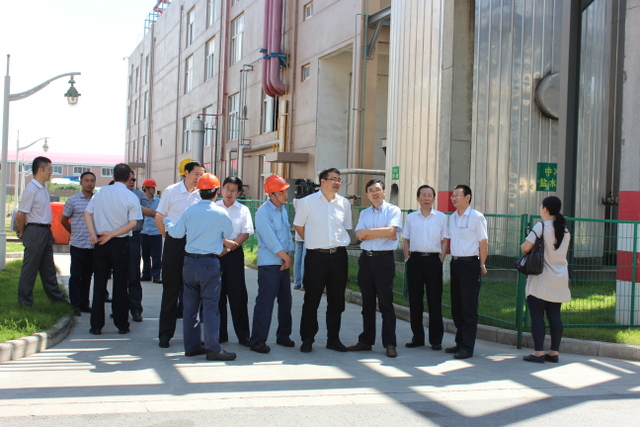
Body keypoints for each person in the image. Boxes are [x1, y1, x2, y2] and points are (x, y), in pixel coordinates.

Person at [159, 173, 236, 361]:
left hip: (189, 263)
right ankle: (213, 348)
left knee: (190, 308)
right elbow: (228, 232)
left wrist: (167, 221)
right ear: (216, 191)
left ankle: (192, 347)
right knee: (210, 307)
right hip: (209, 263)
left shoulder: (190, 211)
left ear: (200, 191)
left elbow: (176, 233)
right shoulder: (220, 213)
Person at [294, 168, 353, 353]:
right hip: (316, 256)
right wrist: (313, 240)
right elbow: (298, 225)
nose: (337, 182)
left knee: (337, 301)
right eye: (333, 179)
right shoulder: (307, 202)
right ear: (323, 181)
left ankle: (333, 339)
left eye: (339, 180)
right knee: (312, 299)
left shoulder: (344, 203)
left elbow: (346, 227)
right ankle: (307, 338)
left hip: (338, 256)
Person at [84, 163, 142, 335]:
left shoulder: (101, 192)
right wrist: (113, 234)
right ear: (129, 177)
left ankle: (96, 326)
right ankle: (121, 324)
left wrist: (93, 234)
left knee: (99, 284)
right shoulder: (130, 196)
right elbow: (133, 223)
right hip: (120, 243)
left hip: (100, 241)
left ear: (113, 176)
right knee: (120, 285)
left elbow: (87, 213)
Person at [347, 179, 402, 358]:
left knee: (386, 304)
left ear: (384, 191)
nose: (374, 193)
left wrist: (370, 232)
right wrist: (383, 232)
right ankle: (366, 341)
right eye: (370, 190)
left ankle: (390, 344)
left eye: (377, 189)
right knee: (367, 303)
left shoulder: (393, 210)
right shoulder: (364, 213)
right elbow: (359, 235)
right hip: (366, 260)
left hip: (384, 260)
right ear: (367, 194)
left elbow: (391, 232)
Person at [155, 159, 204, 348]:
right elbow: (159, 216)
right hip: (175, 242)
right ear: (186, 173)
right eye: (196, 174)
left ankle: (192, 337)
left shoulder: (202, 193)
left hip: (195, 244)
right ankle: (165, 335)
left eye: (202, 174)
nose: (198, 178)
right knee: (171, 290)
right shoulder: (171, 191)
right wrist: (168, 237)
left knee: (193, 292)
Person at [521, 196, 571, 363]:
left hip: (541, 279)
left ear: (545, 209)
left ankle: (538, 353)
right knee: (555, 316)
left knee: (537, 316)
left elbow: (525, 248)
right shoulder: (565, 230)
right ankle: (554, 352)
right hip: (560, 279)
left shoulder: (541, 226)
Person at [249, 175, 295, 354]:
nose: (285, 195)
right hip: (269, 264)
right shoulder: (263, 213)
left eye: (285, 191)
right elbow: (271, 240)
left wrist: (289, 253)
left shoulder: (282, 210)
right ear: (271, 194)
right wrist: (285, 258)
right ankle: (258, 340)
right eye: (281, 192)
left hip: (283, 261)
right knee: (265, 302)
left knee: (285, 301)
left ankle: (283, 335)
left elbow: (287, 234)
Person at [15, 156, 69, 306]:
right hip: (34, 231)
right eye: (49, 169)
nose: (51, 172)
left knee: (49, 269)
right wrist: (23, 232)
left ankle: (58, 301)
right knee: (30, 269)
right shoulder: (31, 189)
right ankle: (25, 302)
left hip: (45, 231)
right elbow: (20, 214)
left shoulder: (43, 187)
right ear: (41, 170)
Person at [444, 185, 488, 359]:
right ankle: (460, 342)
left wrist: (482, 265)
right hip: (455, 263)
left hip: (470, 264)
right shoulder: (453, 217)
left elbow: (483, 242)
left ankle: (467, 347)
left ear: (467, 197)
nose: (454, 198)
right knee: (457, 306)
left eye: (457, 195)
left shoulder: (477, 217)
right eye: (452, 196)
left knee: (468, 307)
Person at [403, 185, 448, 351]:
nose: (427, 198)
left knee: (434, 300)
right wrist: (407, 258)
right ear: (418, 198)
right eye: (424, 195)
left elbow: (445, 240)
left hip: (433, 260)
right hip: (415, 260)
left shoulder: (441, 217)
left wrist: (441, 259)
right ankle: (417, 337)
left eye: (430, 195)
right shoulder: (411, 218)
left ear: (434, 199)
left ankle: (436, 339)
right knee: (415, 300)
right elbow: (406, 240)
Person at [215, 176, 253, 346]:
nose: (229, 193)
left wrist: (230, 247)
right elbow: (210, 229)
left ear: (239, 193)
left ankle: (243, 335)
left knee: (238, 295)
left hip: (234, 253)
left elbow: (246, 232)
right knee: (217, 295)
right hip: (216, 252)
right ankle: (220, 334)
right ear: (221, 189)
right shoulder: (214, 207)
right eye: (227, 188)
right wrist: (223, 246)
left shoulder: (243, 210)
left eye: (233, 190)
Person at [61, 171, 96, 316]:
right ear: (81, 182)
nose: (89, 183)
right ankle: (74, 304)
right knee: (76, 276)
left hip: (92, 245)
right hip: (77, 244)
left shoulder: (98, 200)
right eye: (86, 180)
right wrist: (73, 231)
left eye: (92, 181)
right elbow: (64, 220)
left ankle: (84, 303)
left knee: (87, 276)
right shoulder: (73, 200)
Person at [126, 172, 155, 322]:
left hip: (134, 237)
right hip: (115, 237)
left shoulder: (139, 195)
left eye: (133, 179)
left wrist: (136, 205)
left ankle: (136, 309)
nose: (131, 182)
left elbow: (151, 212)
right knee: (119, 275)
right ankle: (119, 308)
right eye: (128, 179)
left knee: (134, 274)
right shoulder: (113, 194)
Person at [140, 178, 162, 284]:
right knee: (145, 255)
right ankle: (146, 274)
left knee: (156, 256)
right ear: (146, 189)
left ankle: (156, 276)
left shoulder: (158, 201)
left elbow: (158, 214)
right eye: (152, 187)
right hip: (144, 232)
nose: (154, 189)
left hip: (156, 232)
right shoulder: (141, 201)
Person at [292, 196, 305, 291]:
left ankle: (297, 282)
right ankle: (304, 283)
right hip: (306, 233)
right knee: (305, 258)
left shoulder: (295, 200)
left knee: (298, 258)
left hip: (298, 233)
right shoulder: (307, 201)